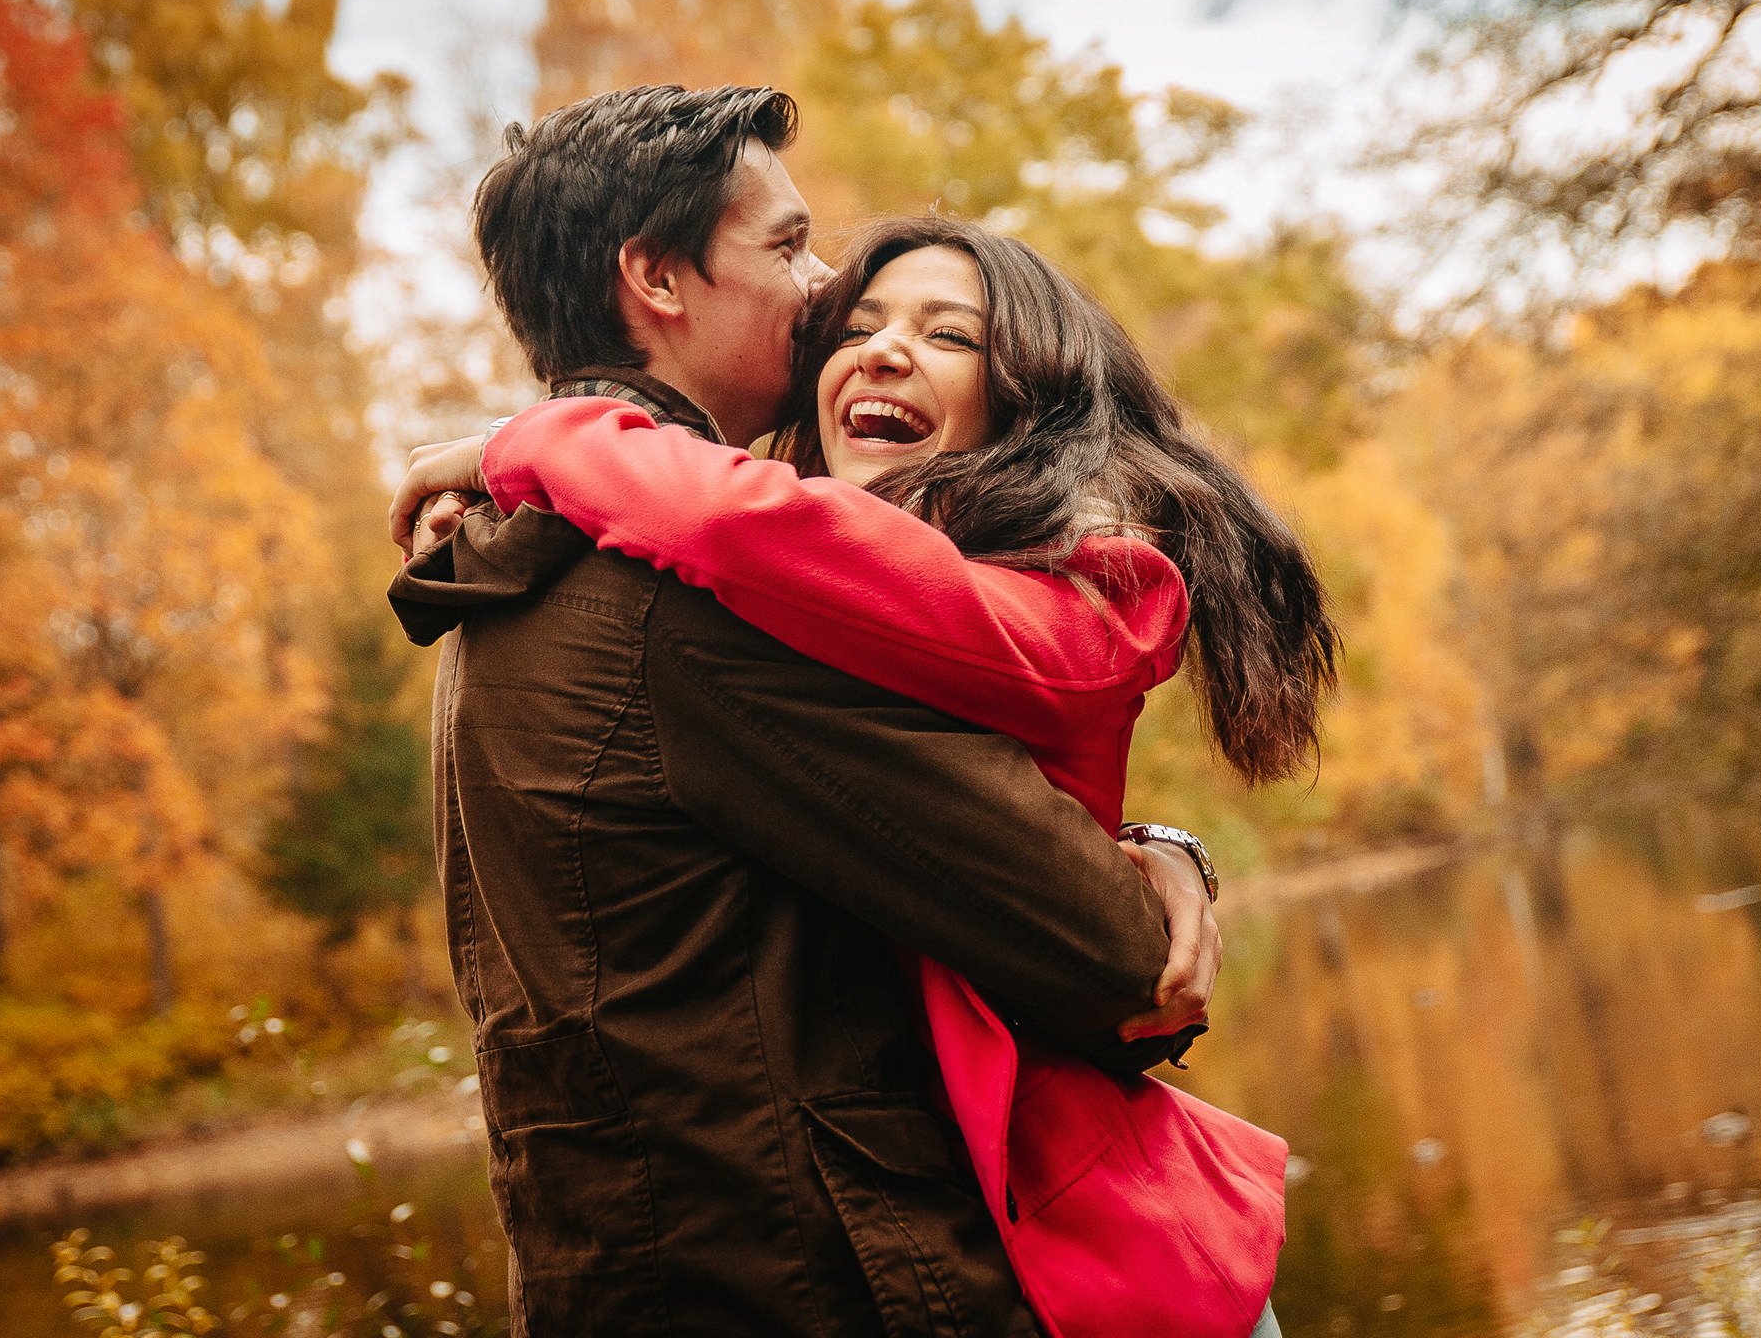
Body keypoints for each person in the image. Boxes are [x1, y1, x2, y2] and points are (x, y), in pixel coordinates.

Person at [393, 215, 1341, 1338]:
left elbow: (738, 521)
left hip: (1115, 1259)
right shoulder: (824, 591)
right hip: (1023, 1221)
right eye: (861, 323)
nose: (879, 347)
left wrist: (532, 447)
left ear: (1025, 400)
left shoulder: (1081, 587)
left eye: (950, 335)